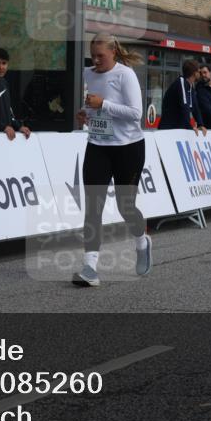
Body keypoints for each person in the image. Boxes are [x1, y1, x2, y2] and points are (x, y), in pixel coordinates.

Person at [73, 34, 151, 287]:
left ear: (113, 53)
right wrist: (84, 114)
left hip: (128, 147)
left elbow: (135, 114)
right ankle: (90, 267)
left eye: (101, 56)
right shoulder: (88, 73)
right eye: (92, 56)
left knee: (125, 206)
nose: (95, 61)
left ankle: (142, 242)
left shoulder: (125, 75)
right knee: (93, 207)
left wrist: (103, 104)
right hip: (98, 145)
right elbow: (92, 107)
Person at [158, 59, 206, 133]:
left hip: (178, 128)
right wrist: (190, 128)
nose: (200, 74)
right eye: (199, 71)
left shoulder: (190, 86)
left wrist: (200, 124)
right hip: (169, 129)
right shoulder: (181, 82)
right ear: (194, 73)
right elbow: (185, 107)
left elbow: (196, 107)